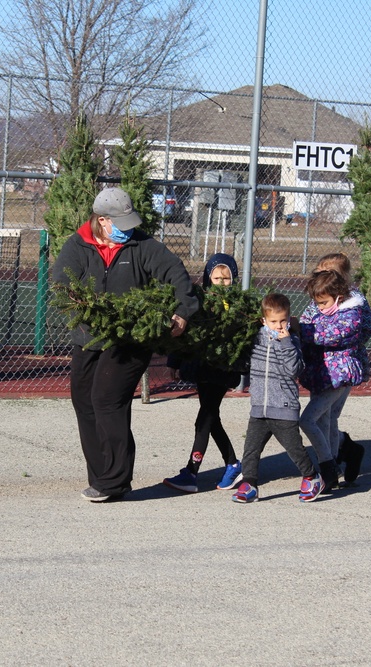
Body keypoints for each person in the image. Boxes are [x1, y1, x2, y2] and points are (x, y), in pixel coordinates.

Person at [53, 187, 200, 503]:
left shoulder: (142, 245)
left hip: (131, 338)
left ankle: (115, 481)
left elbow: (176, 274)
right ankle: (101, 477)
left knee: (106, 399)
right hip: (88, 337)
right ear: (102, 220)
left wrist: (182, 311)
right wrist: (83, 307)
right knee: (84, 401)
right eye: (120, 222)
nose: (128, 228)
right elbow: (62, 283)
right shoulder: (78, 245)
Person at [231, 292, 323, 503]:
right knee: (251, 449)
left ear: (289, 318)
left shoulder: (292, 341)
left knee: (295, 449)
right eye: (273, 321)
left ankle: (312, 477)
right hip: (259, 406)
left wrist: (286, 343)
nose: (278, 325)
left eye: (283, 320)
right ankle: (249, 484)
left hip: (283, 406)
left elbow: (294, 370)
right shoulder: (256, 339)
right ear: (264, 320)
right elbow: (244, 362)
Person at [162, 253, 243, 494]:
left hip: (221, 368)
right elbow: (185, 333)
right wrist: (173, 362)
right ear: (208, 278)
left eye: (226, 278)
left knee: (204, 419)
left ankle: (191, 472)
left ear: (233, 279)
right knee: (211, 418)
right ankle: (233, 464)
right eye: (216, 277)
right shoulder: (200, 302)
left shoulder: (237, 306)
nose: (221, 282)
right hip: (202, 367)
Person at [298, 268, 371, 492]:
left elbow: (332, 333)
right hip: (320, 373)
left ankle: (326, 465)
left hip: (338, 376)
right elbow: (306, 320)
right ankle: (332, 471)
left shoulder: (352, 313)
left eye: (323, 303)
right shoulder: (320, 307)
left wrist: (305, 332)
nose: (319, 307)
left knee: (308, 420)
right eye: (317, 303)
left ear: (338, 296)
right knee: (326, 420)